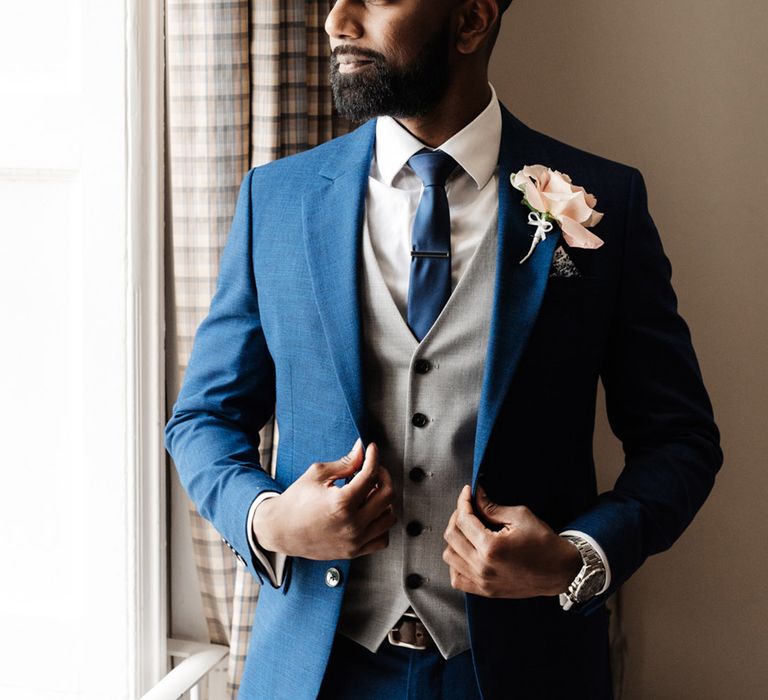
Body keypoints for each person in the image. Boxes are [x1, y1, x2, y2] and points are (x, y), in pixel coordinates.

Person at [164, 0, 722, 697]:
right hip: (317, 670)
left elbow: (680, 440)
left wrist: (573, 558)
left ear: (470, 22)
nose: (338, 20)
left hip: (523, 671)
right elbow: (202, 420)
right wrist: (270, 518)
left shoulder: (602, 202)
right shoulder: (275, 200)